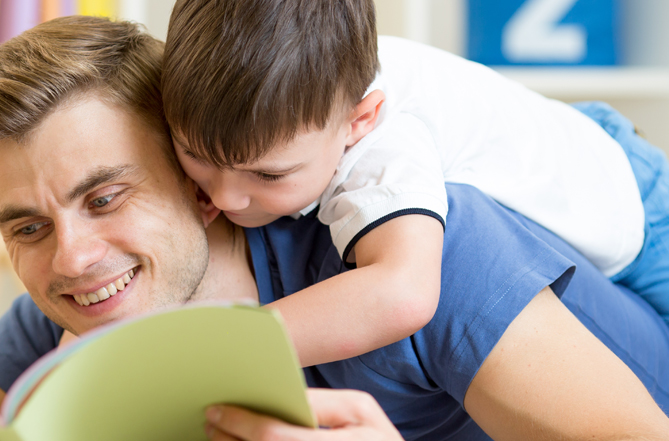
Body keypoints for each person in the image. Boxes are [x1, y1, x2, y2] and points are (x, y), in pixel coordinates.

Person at [0, 17, 669, 441]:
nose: (72, 256)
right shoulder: (78, 309)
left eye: (107, 197)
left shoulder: (423, 244)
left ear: (195, 177)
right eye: (25, 226)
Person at [160, 0, 669, 369]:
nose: (225, 197)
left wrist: (212, 352)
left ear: (360, 121)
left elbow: (402, 294)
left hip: (633, 202)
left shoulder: (385, 145)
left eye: (269, 175)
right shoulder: (301, 101)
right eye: (197, 155)